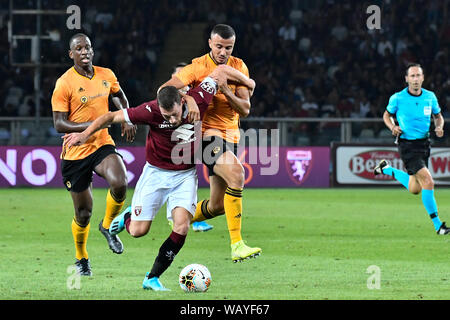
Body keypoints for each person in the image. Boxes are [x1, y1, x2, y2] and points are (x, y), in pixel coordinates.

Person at [63, 66, 255, 290]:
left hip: (184, 175)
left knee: (181, 226)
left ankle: (152, 277)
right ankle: (128, 217)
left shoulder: (199, 97)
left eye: (174, 114)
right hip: (155, 174)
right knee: (137, 231)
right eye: (167, 116)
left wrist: (249, 84)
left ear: (182, 102)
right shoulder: (150, 111)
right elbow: (109, 116)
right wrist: (84, 135)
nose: (172, 119)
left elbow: (220, 72)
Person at [159, 24, 261, 263]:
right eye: (219, 47)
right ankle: (237, 245)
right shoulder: (197, 67)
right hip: (207, 135)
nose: (223, 52)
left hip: (231, 137)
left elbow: (245, 109)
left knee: (217, 206)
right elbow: (165, 89)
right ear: (210, 43)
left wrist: (225, 88)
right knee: (237, 174)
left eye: (228, 47)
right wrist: (189, 100)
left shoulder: (239, 67)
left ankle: (178, 215)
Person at [51, 33, 137, 276]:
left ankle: (108, 226)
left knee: (120, 182)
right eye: (79, 48)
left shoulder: (106, 74)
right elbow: (59, 123)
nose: (85, 51)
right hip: (75, 152)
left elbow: (118, 95)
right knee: (83, 213)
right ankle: (81, 258)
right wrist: (92, 124)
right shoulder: (64, 83)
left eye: (87, 47)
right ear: (71, 54)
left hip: (101, 144)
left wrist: (126, 115)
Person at [374, 63, 449, 235]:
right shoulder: (398, 98)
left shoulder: (430, 97)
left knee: (416, 188)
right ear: (406, 79)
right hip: (407, 145)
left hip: (424, 144)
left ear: (423, 78)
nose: (415, 79)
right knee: (428, 181)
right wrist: (392, 127)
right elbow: (386, 115)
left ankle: (386, 169)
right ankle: (438, 225)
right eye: (412, 76)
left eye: (418, 76)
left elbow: (438, 117)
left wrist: (439, 127)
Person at [168, 62, 214, 233]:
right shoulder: (169, 98)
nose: (183, 79)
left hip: (192, 141)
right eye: (178, 76)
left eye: (185, 75)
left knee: (190, 178)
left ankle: (189, 219)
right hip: (172, 146)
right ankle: (180, 218)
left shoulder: (195, 95)